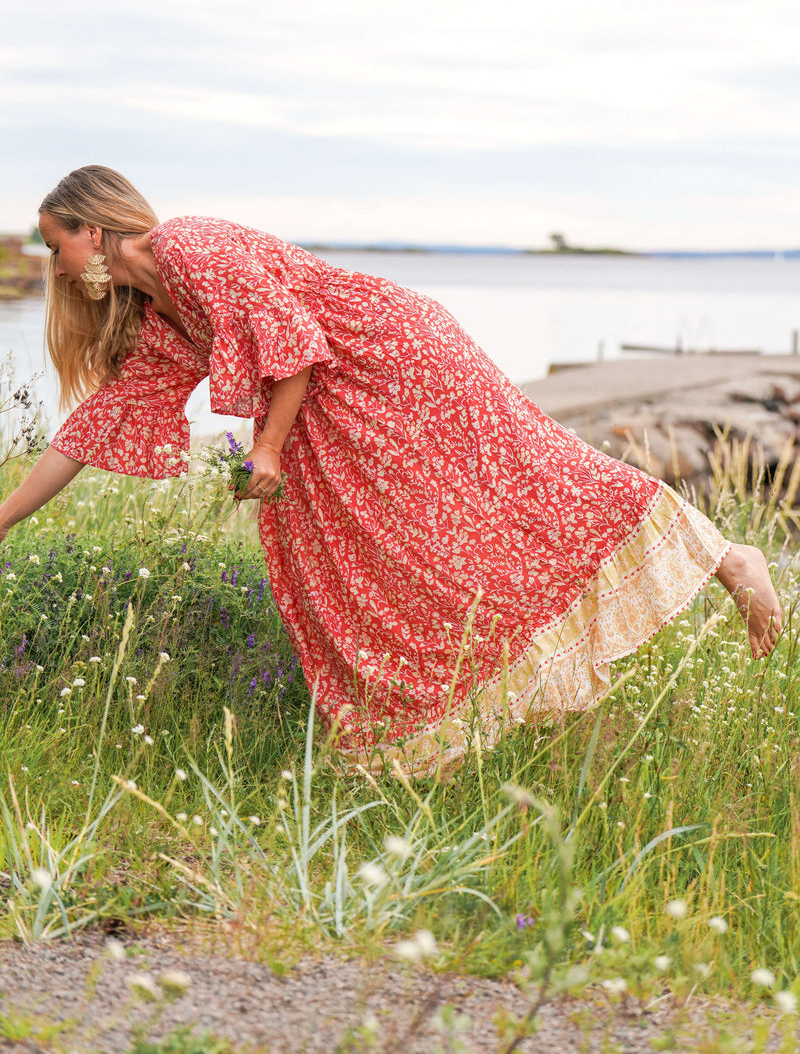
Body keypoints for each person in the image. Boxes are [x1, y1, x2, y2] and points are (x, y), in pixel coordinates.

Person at [0, 166, 783, 774]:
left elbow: (298, 336)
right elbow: (88, 431)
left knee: (524, 473)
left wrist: (266, 446)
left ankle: (721, 554)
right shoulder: (152, 313)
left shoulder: (186, 245)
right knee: (364, 559)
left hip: (386, 356)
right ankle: (413, 744)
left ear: (93, 229)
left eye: (54, 243)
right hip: (326, 403)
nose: (54, 265)